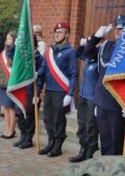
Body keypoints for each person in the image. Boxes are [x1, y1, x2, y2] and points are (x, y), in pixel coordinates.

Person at [84, 15, 125, 155]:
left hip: (118, 102)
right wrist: (96, 37)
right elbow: (88, 53)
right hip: (102, 100)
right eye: (117, 29)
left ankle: (115, 171)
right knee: (105, 139)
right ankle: (106, 166)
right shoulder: (106, 46)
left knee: (116, 140)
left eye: (122, 29)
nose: (118, 32)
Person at [37, 22, 78, 157]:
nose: (57, 34)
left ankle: (58, 146)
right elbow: (42, 70)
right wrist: (37, 92)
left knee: (58, 119)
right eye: (56, 32)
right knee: (48, 118)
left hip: (61, 92)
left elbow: (74, 74)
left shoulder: (70, 52)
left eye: (60, 32)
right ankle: (50, 142)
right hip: (49, 90)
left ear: (67, 35)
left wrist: (70, 93)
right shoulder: (49, 51)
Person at [69, 37, 99, 162]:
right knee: (82, 124)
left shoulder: (99, 62)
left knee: (91, 126)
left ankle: (90, 152)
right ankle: (83, 149)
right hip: (83, 96)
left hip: (93, 99)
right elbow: (78, 54)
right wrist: (81, 45)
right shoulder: (88, 58)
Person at [13, 34, 44, 149]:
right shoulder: (22, 57)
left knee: (30, 117)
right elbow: (11, 57)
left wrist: (38, 93)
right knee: (20, 115)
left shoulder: (39, 58)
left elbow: (41, 77)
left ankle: (28, 139)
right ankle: (22, 136)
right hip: (22, 89)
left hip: (32, 92)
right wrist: (15, 46)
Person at [0, 31, 17, 139]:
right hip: (2, 84)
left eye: (10, 39)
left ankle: (11, 130)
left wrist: (12, 53)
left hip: (10, 84)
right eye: (7, 38)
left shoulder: (16, 53)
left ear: (15, 40)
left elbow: (14, 67)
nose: (7, 41)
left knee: (10, 108)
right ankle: (7, 128)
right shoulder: (3, 53)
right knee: (4, 108)